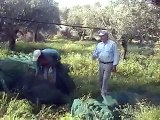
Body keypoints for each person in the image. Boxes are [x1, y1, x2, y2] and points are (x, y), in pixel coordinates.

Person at [92, 30, 119, 97]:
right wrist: (94, 56)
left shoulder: (112, 44)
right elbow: (96, 53)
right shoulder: (99, 45)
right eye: (101, 36)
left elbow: (116, 54)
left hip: (109, 64)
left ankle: (104, 93)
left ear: (107, 36)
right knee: (100, 78)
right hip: (101, 63)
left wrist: (114, 65)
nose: (101, 38)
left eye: (103, 36)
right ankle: (102, 90)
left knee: (105, 78)